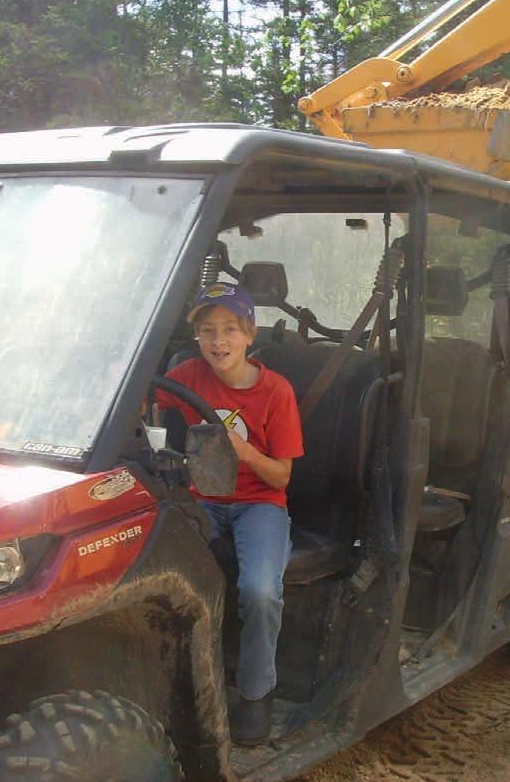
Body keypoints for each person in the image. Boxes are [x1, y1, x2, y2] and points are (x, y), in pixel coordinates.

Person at [156, 282, 303, 746]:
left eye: (229, 330)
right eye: (207, 331)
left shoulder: (276, 392)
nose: (218, 341)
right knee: (153, 571)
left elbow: (281, 476)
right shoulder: (187, 374)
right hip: (201, 498)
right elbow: (150, 402)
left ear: (249, 334)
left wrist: (246, 453)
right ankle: (170, 686)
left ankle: (256, 694)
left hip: (260, 503)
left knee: (260, 590)